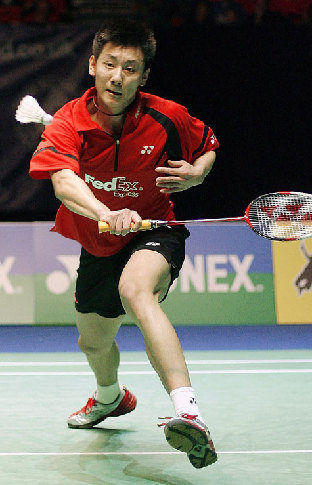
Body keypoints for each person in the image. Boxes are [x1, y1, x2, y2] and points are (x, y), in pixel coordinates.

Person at [29, 18, 219, 469]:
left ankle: (190, 413)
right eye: (110, 64)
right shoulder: (67, 122)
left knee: (136, 291)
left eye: (130, 68)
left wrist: (198, 173)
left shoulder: (167, 115)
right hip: (99, 240)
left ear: (143, 76)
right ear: (93, 65)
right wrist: (105, 214)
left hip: (156, 229)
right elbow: (62, 182)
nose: (118, 76)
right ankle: (110, 397)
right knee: (93, 344)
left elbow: (208, 144)